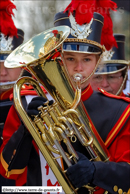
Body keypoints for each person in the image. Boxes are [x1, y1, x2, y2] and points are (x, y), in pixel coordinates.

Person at [0, 1, 130, 194]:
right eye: (70, 59)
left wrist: (97, 170)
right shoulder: (27, 103)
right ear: (58, 58)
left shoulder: (120, 111)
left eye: (86, 60)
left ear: (97, 62)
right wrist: (25, 132)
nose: (78, 68)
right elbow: (8, 171)